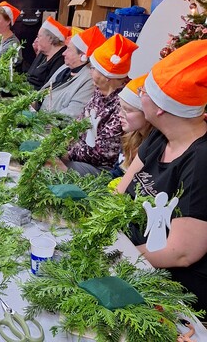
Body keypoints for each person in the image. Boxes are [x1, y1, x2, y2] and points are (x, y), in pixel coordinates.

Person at [116, 40, 207, 315]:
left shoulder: (201, 160)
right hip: (131, 251)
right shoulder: (160, 135)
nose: (139, 90)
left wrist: (120, 257)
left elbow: (181, 252)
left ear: (160, 108)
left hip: (169, 287)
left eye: (144, 91)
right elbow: (122, 190)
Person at [55, 34, 138, 175]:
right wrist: (61, 144)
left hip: (101, 169)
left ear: (107, 76)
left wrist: (66, 153)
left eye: (93, 68)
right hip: (79, 156)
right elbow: (79, 124)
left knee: (51, 166)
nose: (90, 71)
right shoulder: (100, 93)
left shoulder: (122, 104)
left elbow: (102, 152)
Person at [39, 26, 106, 117]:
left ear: (82, 56)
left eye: (69, 49)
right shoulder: (65, 67)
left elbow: (73, 113)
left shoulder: (89, 79)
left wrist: (40, 120)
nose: (63, 53)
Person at [110, 75, 152, 178]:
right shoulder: (130, 137)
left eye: (127, 110)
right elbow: (116, 173)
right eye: (120, 108)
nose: (120, 114)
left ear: (146, 113)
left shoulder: (153, 147)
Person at [26, 17, 70, 90]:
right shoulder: (43, 52)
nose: (36, 40)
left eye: (39, 36)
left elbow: (48, 87)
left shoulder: (61, 58)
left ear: (50, 39)